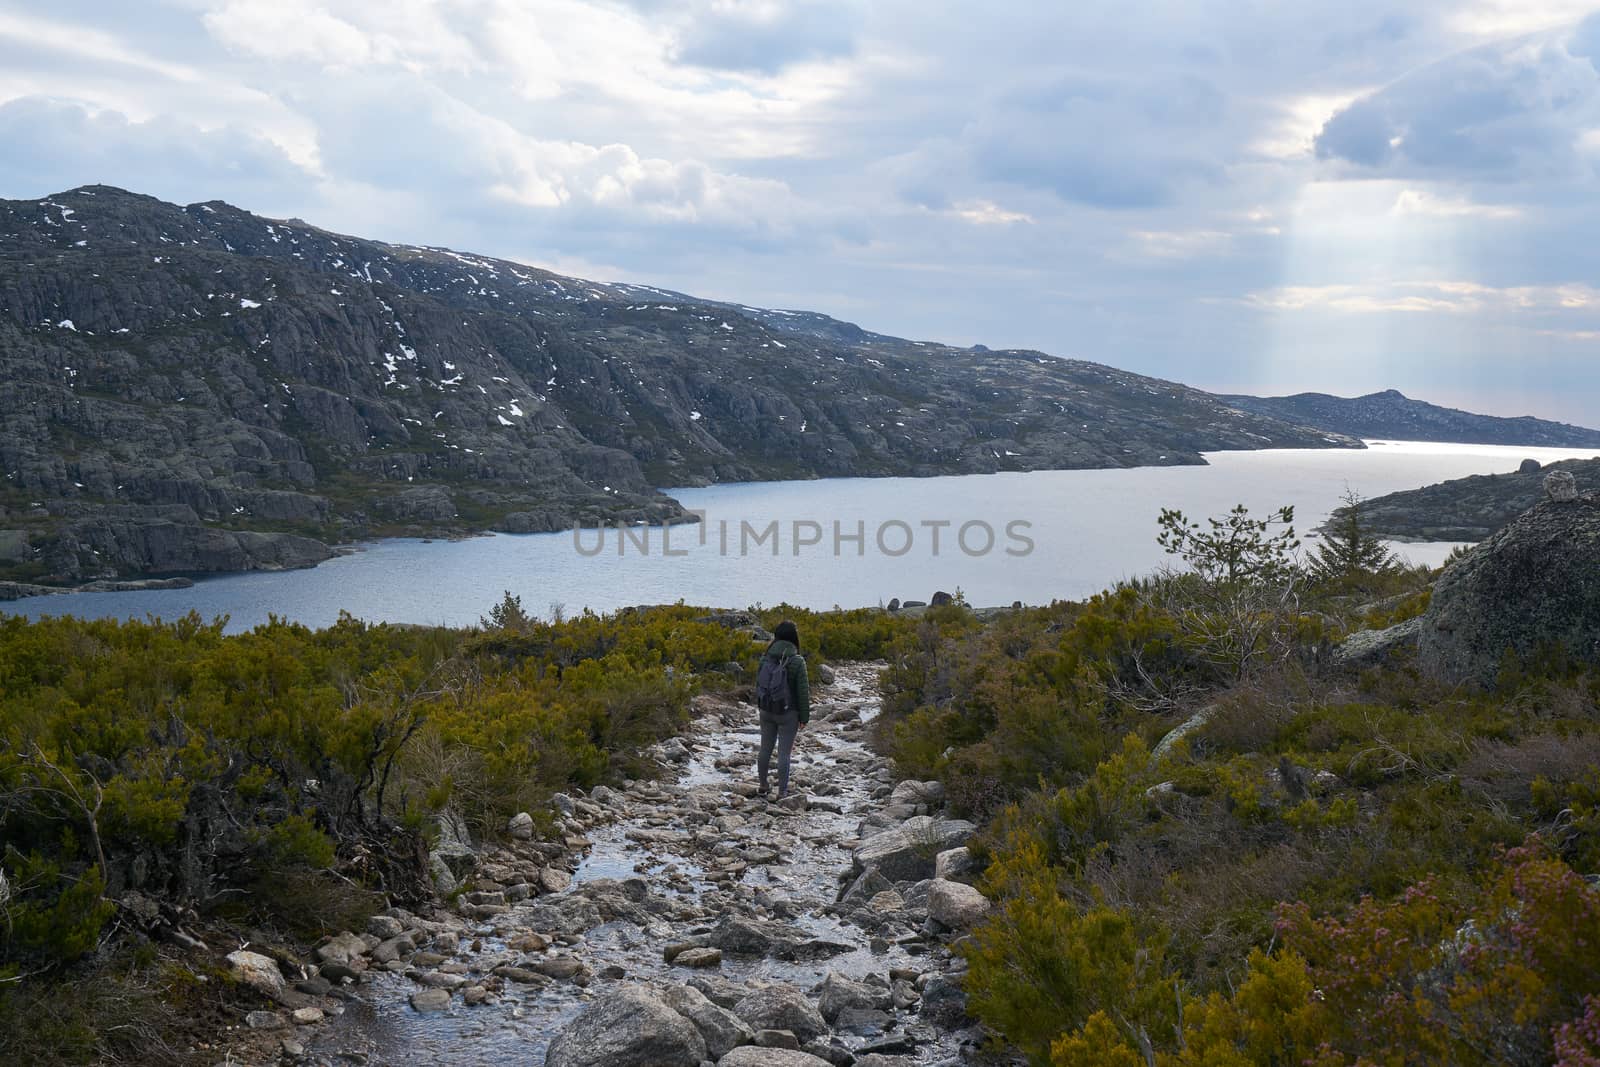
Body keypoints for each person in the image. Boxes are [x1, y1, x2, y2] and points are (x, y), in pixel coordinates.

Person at [756, 619, 810, 800]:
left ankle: (763, 785)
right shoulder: (797, 661)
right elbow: (803, 692)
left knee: (765, 749)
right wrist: (804, 717)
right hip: (788, 714)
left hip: (766, 709)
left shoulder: (765, 657)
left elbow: (759, 684)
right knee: (784, 753)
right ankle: (782, 792)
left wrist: (761, 706)